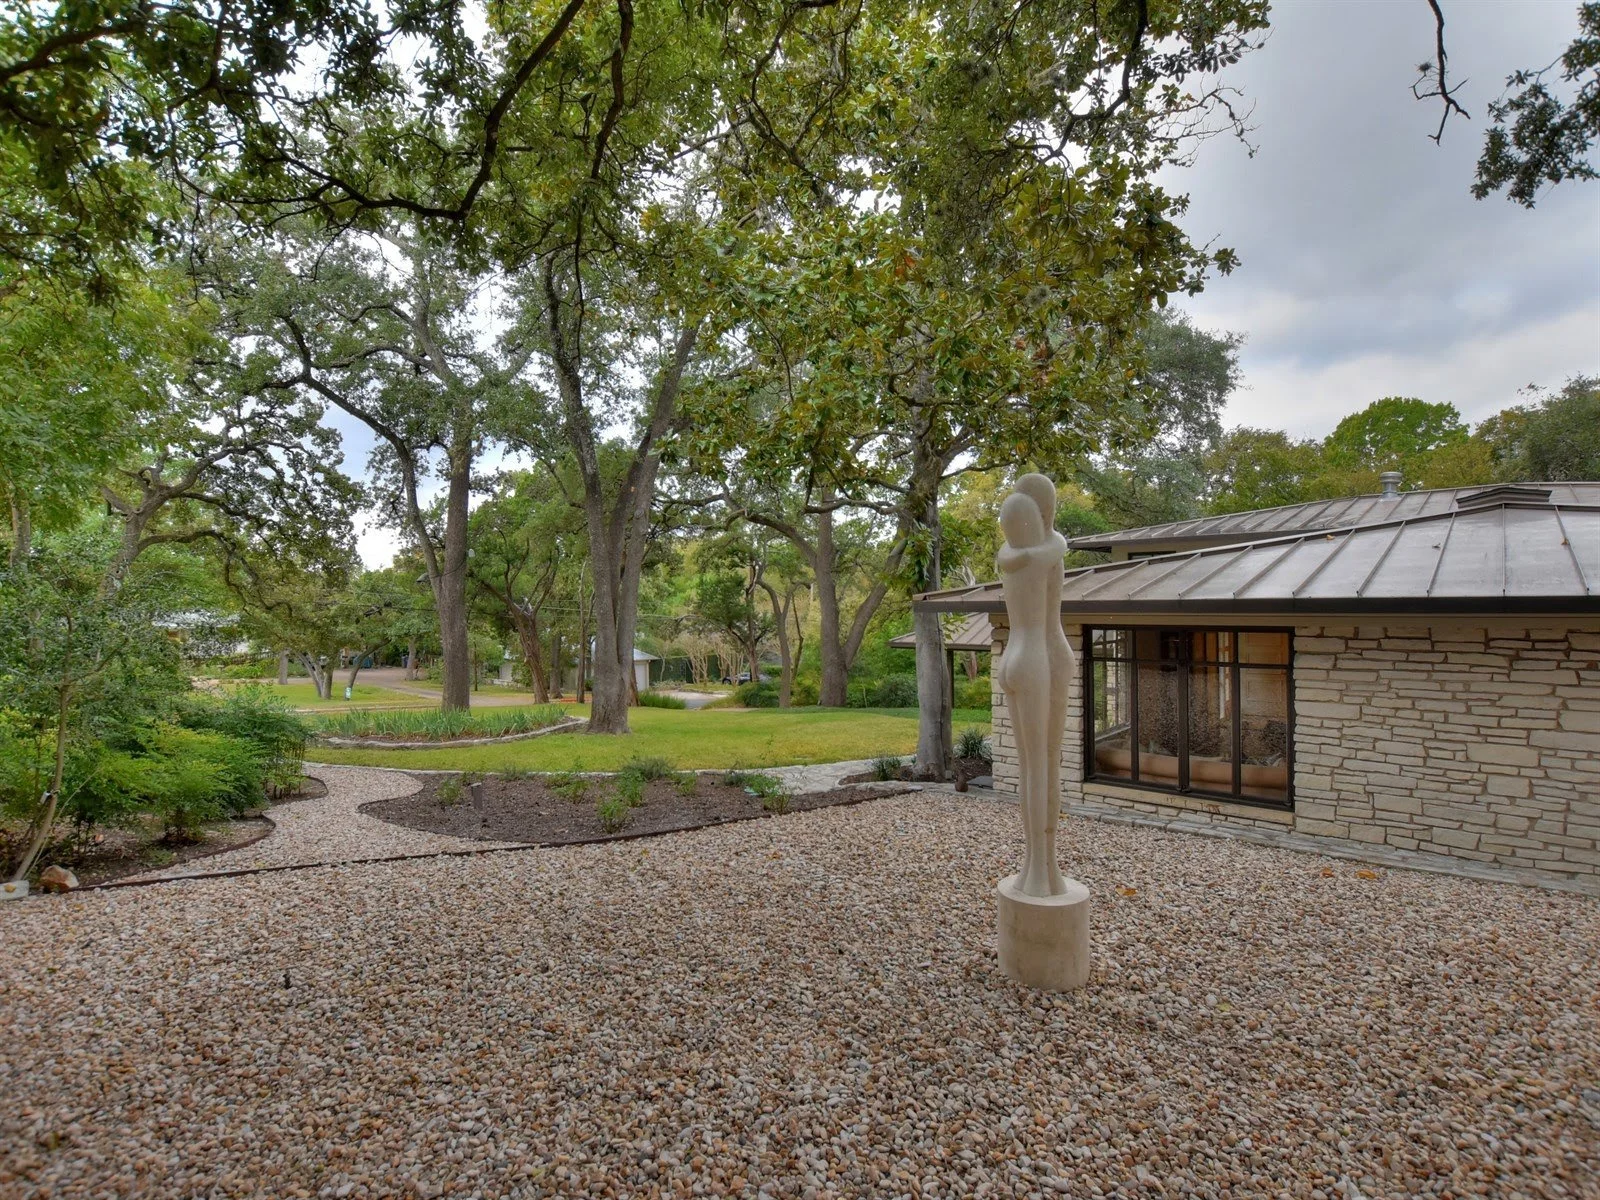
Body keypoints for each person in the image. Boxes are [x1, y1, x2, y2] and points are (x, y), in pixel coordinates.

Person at [994, 474, 1072, 898]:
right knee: (1045, 764)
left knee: (1031, 767)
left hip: (1013, 656)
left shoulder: (1011, 553)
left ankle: (1034, 864)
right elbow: (1059, 542)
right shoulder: (1047, 550)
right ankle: (1044, 870)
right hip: (1041, 657)